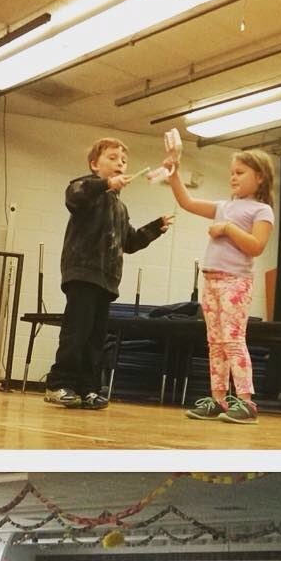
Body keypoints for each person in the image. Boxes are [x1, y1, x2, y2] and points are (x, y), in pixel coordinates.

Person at [43, 137, 172, 410]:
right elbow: (74, 196)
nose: (120, 163)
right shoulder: (84, 188)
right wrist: (106, 184)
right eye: (112, 158)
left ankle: (88, 388)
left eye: (123, 160)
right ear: (94, 164)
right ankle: (58, 383)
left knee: (95, 339)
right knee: (77, 333)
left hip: (106, 281)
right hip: (82, 274)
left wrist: (155, 228)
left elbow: (130, 242)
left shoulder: (120, 208)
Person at [163, 148, 275, 425]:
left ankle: (246, 401)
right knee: (215, 343)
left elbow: (256, 246)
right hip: (212, 280)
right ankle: (219, 398)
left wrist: (226, 228)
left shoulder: (262, 210)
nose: (233, 177)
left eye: (240, 173)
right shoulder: (223, 206)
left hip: (235, 281)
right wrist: (174, 174)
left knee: (233, 341)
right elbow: (187, 202)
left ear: (259, 177)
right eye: (232, 173)